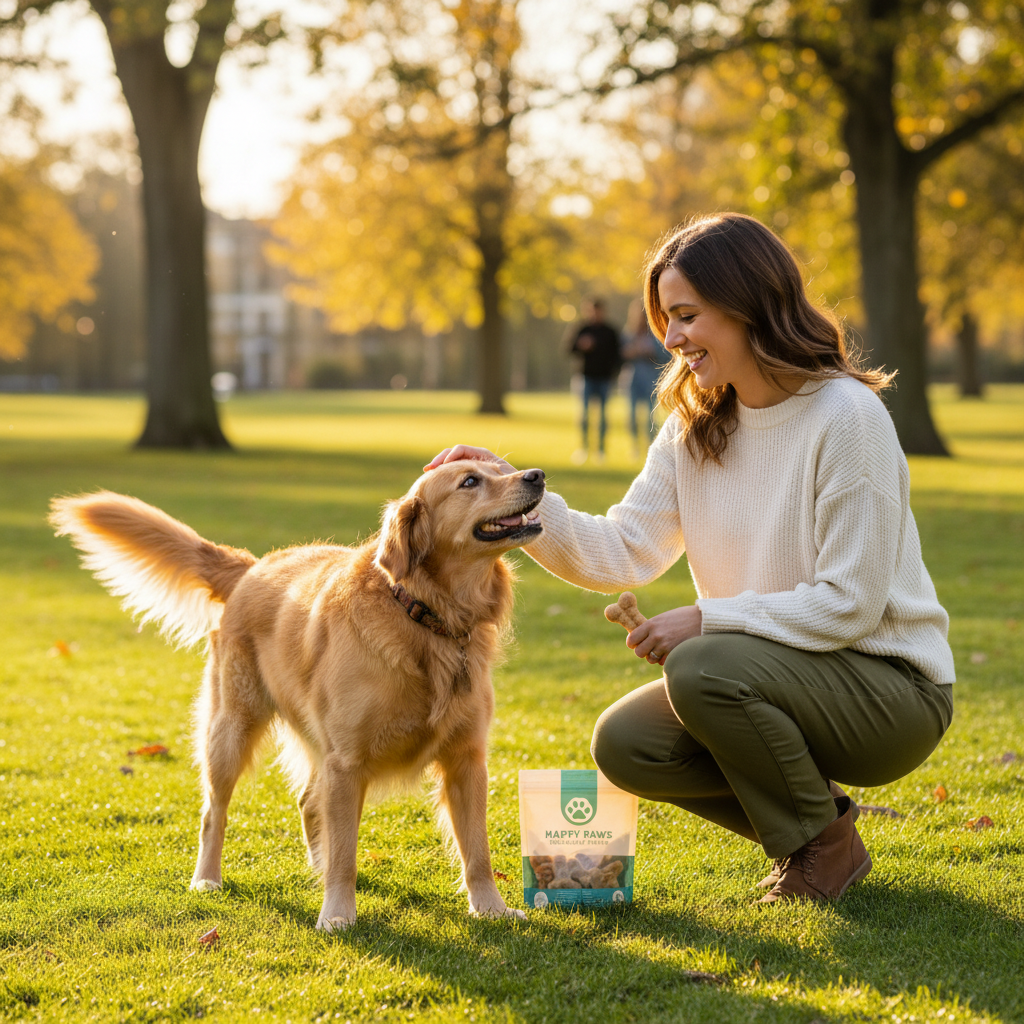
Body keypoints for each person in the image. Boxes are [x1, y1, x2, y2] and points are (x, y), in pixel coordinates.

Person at [425, 213, 954, 904]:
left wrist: (707, 620)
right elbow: (622, 547)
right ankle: (824, 831)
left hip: (890, 691)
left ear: (747, 305)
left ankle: (818, 854)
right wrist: (512, 497)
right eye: (665, 319)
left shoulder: (847, 417)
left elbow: (850, 603)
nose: (669, 339)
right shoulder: (695, 426)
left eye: (684, 316)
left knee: (701, 666)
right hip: (774, 675)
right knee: (626, 742)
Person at [569, 297, 622, 463]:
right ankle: (584, 448)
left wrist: (614, 373)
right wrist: (581, 345)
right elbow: (569, 349)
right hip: (586, 377)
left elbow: (618, 354)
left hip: (605, 379)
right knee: (584, 415)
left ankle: (601, 450)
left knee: (603, 417)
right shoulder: (582, 329)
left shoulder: (610, 331)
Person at [621, 298, 671, 458]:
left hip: (650, 378)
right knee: (632, 416)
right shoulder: (628, 333)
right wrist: (632, 351)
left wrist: (649, 351)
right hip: (632, 379)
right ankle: (635, 446)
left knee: (651, 416)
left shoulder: (655, 334)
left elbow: (665, 355)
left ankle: (651, 446)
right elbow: (622, 354)